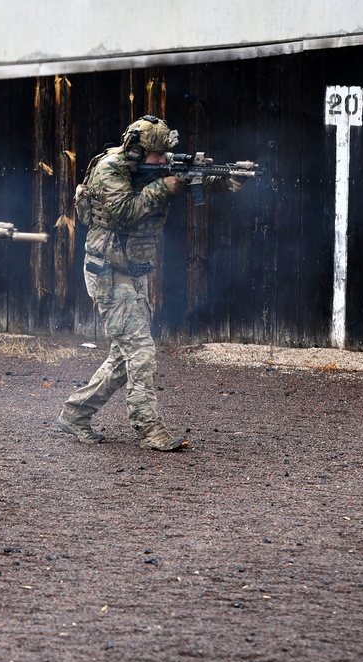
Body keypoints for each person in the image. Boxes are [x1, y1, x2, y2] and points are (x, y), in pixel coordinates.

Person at [57, 115, 247, 452]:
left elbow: (189, 179)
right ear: (137, 151)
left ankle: (74, 414)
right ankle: (148, 429)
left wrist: (226, 178)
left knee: (124, 355)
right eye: (157, 156)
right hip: (108, 274)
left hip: (133, 270)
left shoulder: (154, 160)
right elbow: (124, 212)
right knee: (141, 351)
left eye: (164, 155)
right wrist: (163, 187)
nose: (164, 161)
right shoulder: (110, 169)